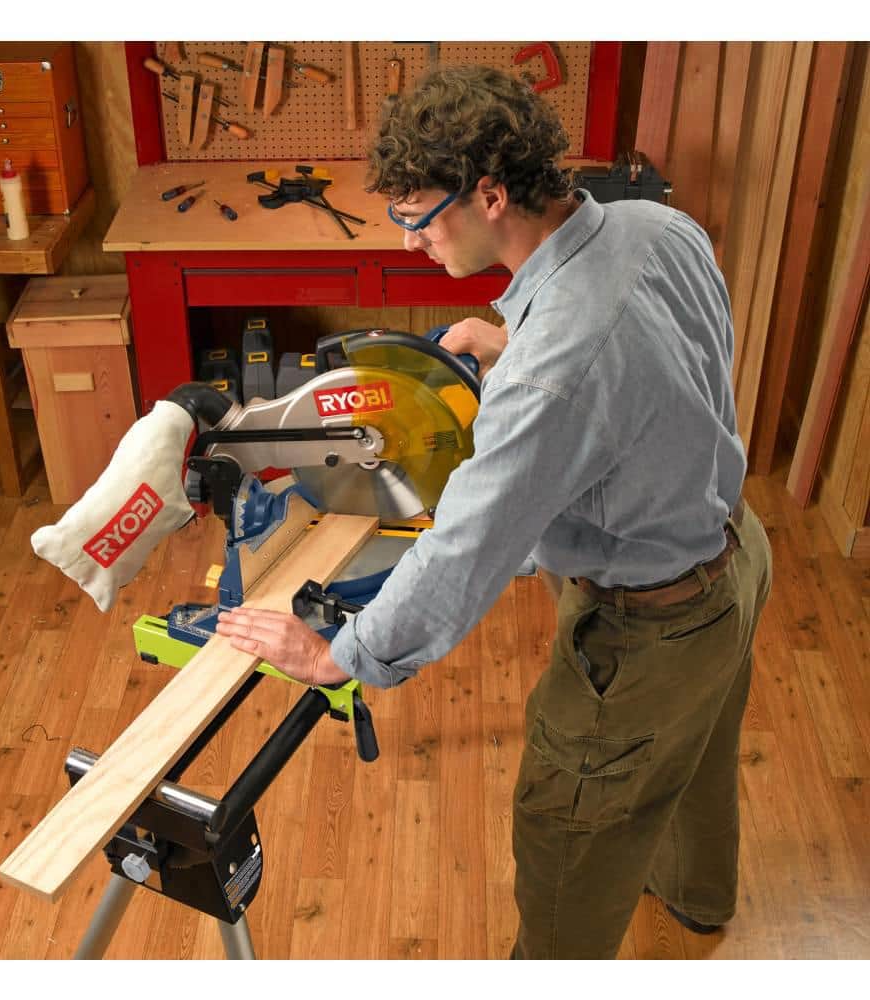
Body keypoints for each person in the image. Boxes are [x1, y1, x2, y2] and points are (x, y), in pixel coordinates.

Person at [217, 65, 772, 959]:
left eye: (419, 216)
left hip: (650, 631)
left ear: (489, 194)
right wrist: (515, 348)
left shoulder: (554, 372)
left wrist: (337, 655)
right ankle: (700, 899)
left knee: (566, 836)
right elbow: (656, 362)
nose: (410, 241)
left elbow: (466, 547)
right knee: (696, 752)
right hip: (736, 555)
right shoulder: (659, 226)